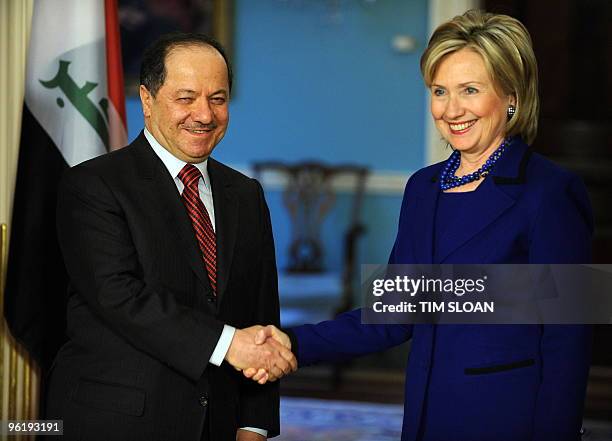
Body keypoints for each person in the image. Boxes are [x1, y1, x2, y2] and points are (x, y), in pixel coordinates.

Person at [247, 10, 593, 441]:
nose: (451, 110)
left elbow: (568, 342)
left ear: (511, 96)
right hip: (427, 418)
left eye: (470, 90)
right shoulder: (422, 188)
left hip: (507, 422)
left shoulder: (551, 192)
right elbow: (393, 315)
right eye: (439, 91)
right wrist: (291, 344)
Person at [46, 33, 296, 441]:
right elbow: (120, 296)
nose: (204, 114)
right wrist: (229, 343)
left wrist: (255, 423)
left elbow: (260, 312)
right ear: (147, 100)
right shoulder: (93, 185)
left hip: (218, 424)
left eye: (218, 98)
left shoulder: (246, 194)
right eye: (186, 98)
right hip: (118, 423)